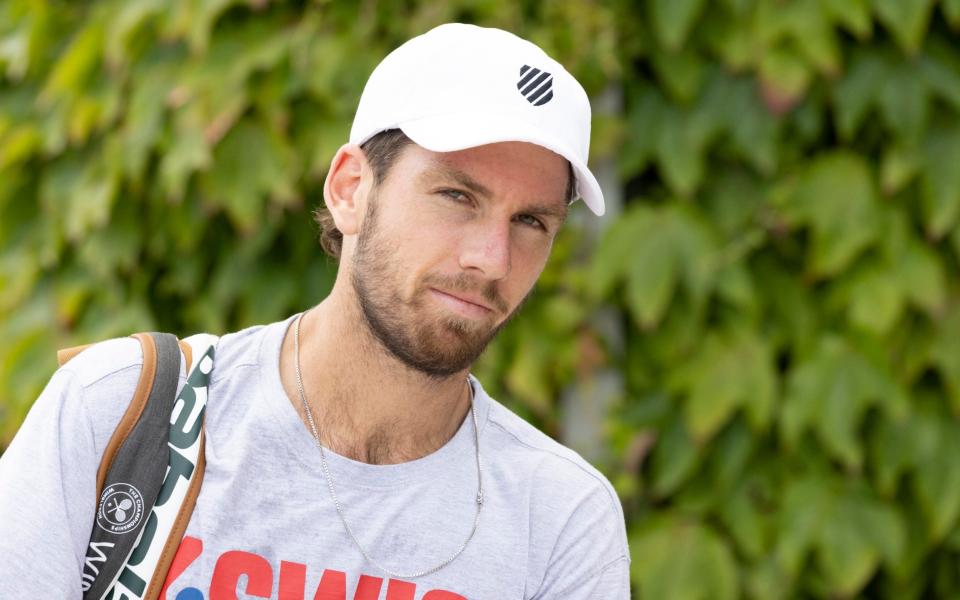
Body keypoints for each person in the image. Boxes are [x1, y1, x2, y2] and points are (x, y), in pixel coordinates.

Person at [0, 23, 629, 599]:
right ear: (351, 188)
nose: (492, 258)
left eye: (531, 220)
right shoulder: (119, 411)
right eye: (457, 195)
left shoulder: (561, 521)